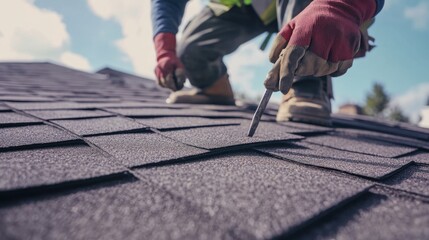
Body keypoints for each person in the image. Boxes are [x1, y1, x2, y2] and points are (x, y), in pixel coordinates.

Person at [151, 0, 384, 126]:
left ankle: (306, 88)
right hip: (244, 6)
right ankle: (214, 88)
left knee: (314, 22)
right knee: (190, 50)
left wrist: (343, 6)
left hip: (308, 4)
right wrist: (165, 49)